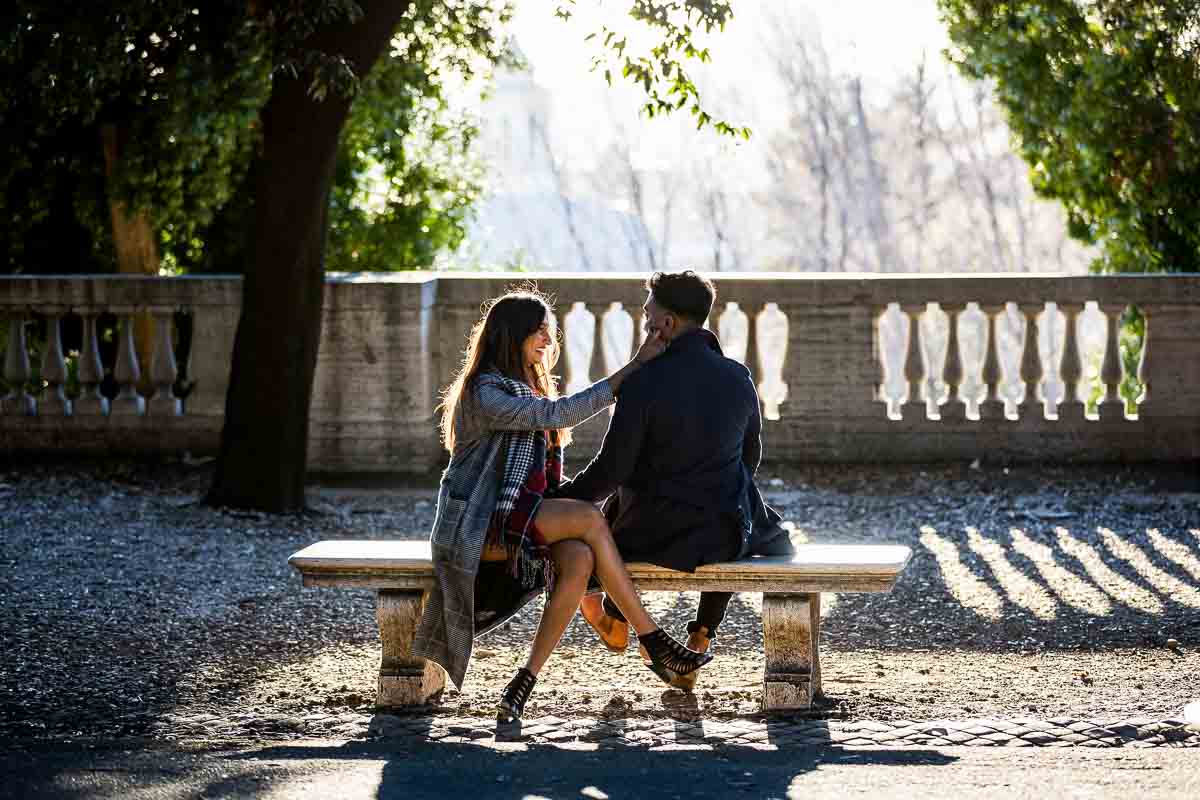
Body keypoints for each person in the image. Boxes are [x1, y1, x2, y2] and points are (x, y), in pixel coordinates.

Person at [411, 288, 713, 722]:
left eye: (548, 334)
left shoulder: (528, 387)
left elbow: (542, 470)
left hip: (519, 514)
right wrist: (635, 366)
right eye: (538, 333)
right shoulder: (485, 392)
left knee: (579, 558)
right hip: (481, 522)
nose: (548, 343)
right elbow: (557, 416)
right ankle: (654, 641)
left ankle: (522, 683)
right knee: (590, 518)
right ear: (510, 335)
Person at [553, 270, 795, 690]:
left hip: (650, 534)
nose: (645, 321)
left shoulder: (643, 382)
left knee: (601, 528)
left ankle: (611, 613)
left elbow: (612, 470)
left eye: (649, 313)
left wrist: (561, 500)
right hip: (722, 534)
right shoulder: (738, 377)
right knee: (755, 517)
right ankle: (701, 634)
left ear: (666, 324)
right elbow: (750, 457)